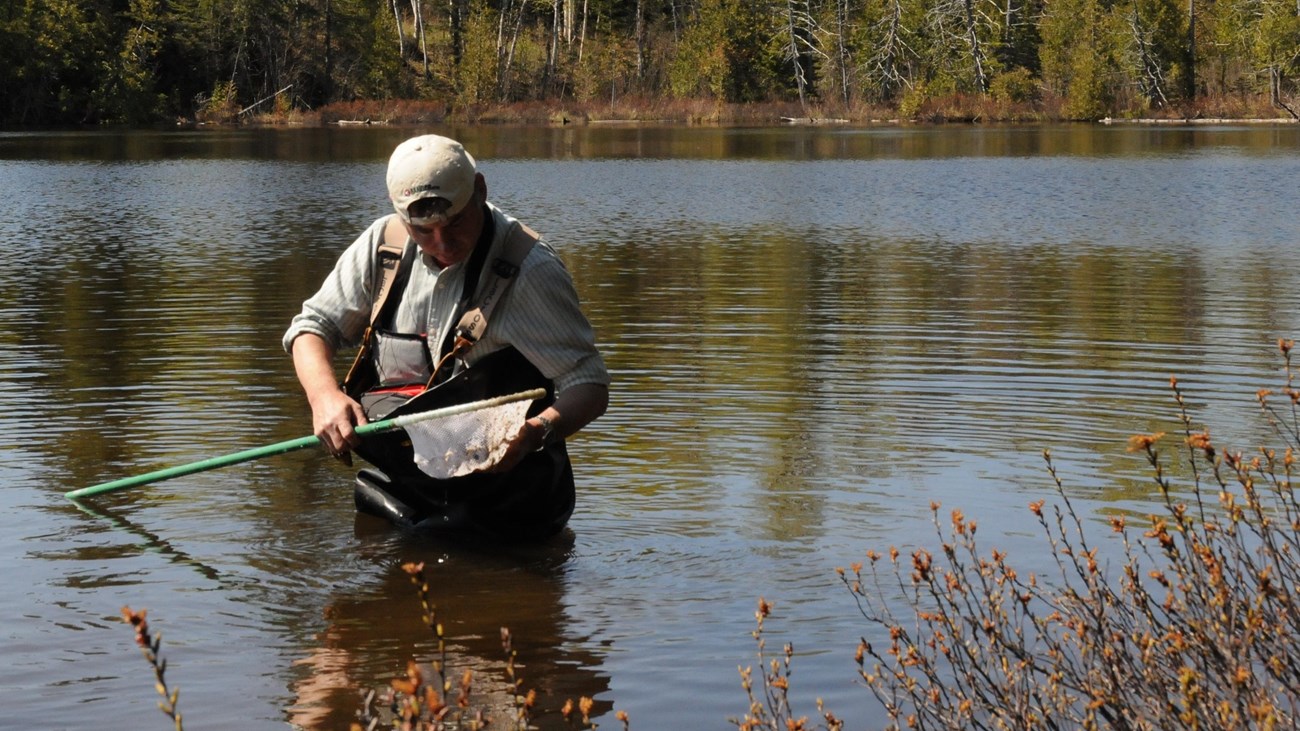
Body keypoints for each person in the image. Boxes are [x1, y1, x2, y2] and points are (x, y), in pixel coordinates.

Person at [284, 134, 609, 539]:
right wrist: (324, 397)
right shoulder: (383, 247)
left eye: (455, 223)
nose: (441, 243)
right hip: (408, 492)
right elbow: (311, 328)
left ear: (480, 191)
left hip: (512, 502)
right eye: (423, 230)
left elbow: (590, 386)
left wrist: (534, 433)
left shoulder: (532, 270)